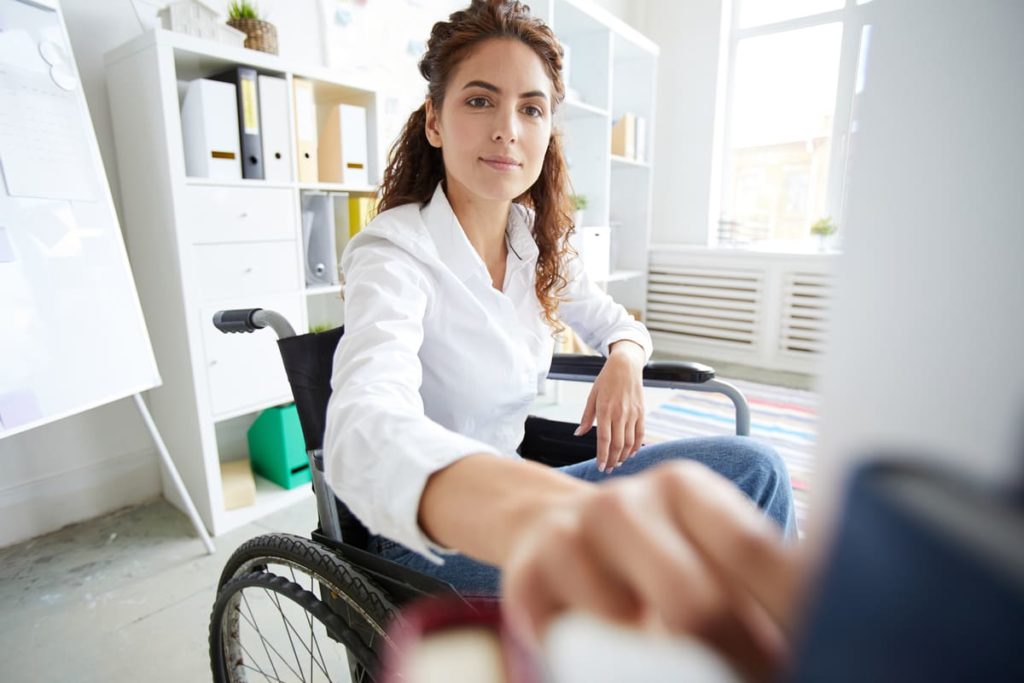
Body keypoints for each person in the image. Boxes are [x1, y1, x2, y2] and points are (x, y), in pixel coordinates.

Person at [323, 0, 794, 625]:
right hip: (436, 546)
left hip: (526, 494)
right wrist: (541, 509)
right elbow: (365, 418)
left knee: (754, 470)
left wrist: (624, 359)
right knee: (664, 548)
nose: (507, 130)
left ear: (548, 128)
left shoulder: (532, 242)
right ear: (434, 120)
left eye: (531, 108)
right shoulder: (395, 255)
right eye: (479, 100)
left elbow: (616, 321)